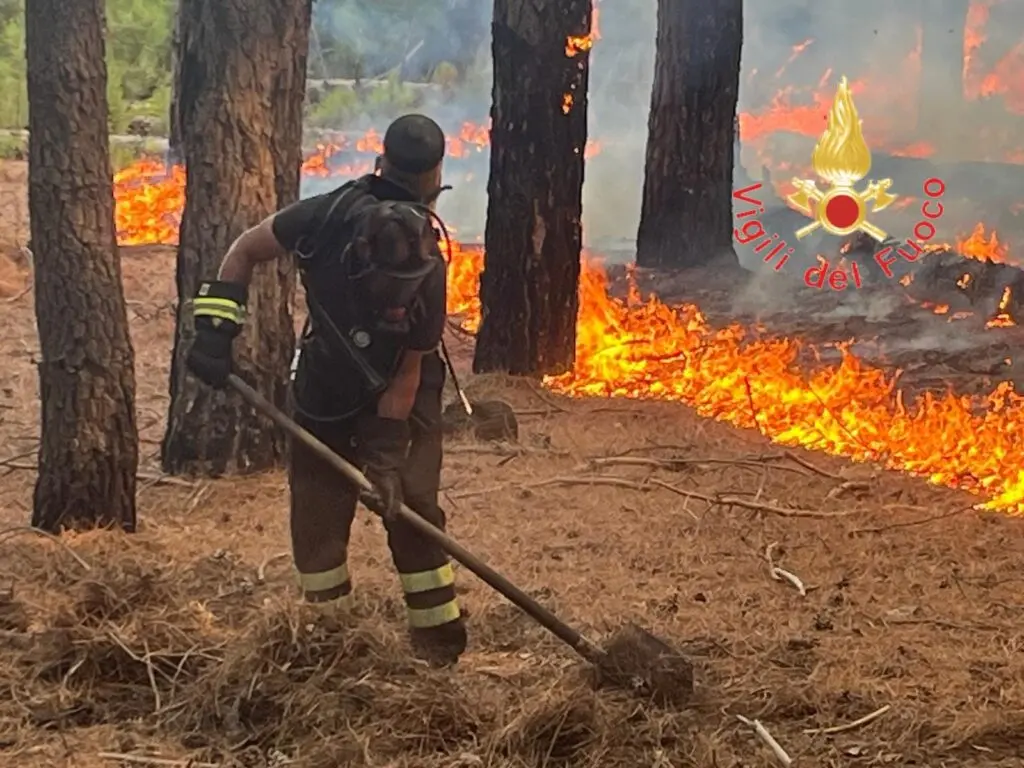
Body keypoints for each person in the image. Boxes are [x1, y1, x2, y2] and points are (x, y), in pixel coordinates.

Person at [185, 114, 466, 665]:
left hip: (403, 398)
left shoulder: (429, 264)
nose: (393, 300)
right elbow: (243, 250)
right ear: (433, 175)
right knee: (316, 518)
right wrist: (215, 330)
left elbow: (410, 372)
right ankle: (328, 642)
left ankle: (438, 648)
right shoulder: (327, 217)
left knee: (412, 508)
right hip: (326, 384)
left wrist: (386, 455)